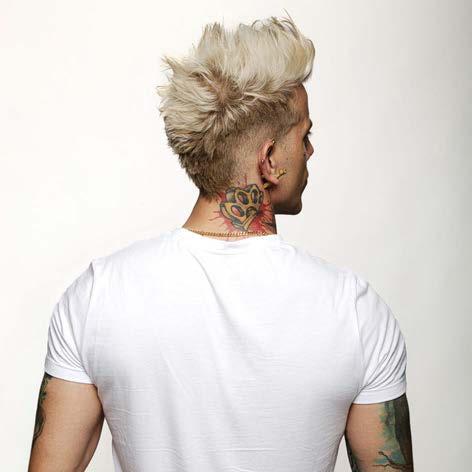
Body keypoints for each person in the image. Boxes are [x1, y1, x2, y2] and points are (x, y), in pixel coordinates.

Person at [28, 13, 414, 472]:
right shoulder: (354, 310)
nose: (309, 150)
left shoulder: (98, 296)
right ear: (269, 160)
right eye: (304, 135)